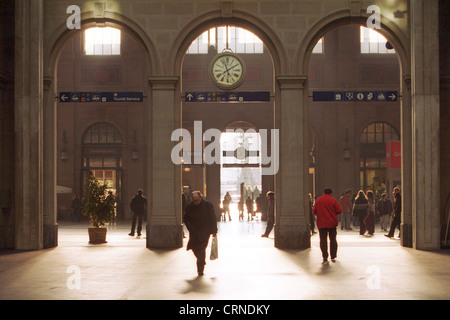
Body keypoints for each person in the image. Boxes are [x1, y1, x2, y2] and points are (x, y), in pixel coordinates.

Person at [184, 191, 218, 276]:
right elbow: (186, 219)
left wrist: (214, 231)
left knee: (202, 248)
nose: (196, 202)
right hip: (194, 231)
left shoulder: (208, 205)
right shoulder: (189, 207)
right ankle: (201, 260)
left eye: (197, 200)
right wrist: (190, 228)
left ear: (200, 198)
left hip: (205, 231)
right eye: (194, 200)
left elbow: (212, 218)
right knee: (194, 247)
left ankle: (200, 269)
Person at [313, 188, 342, 263]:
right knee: (333, 240)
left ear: (323, 192)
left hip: (322, 223)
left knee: (323, 240)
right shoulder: (333, 200)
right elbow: (339, 210)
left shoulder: (318, 200)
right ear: (331, 193)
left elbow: (314, 210)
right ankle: (333, 255)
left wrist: (320, 214)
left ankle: (325, 256)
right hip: (332, 223)